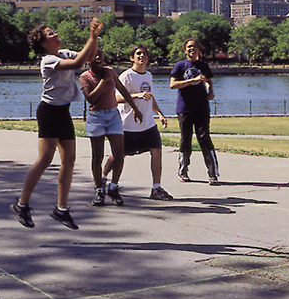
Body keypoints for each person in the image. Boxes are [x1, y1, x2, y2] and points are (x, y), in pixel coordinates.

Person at [11, 19, 104, 230]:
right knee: (45, 158)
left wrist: (95, 37)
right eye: (51, 33)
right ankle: (22, 205)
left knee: (69, 160)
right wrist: (91, 37)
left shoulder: (64, 53)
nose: (56, 34)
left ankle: (61, 209)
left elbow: (88, 57)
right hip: (49, 112)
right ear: (44, 43)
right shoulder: (47, 60)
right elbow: (77, 65)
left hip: (63, 112)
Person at [103, 44, 173, 200]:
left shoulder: (148, 75)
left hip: (148, 124)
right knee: (118, 156)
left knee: (156, 151)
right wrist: (135, 95)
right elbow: (115, 98)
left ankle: (156, 188)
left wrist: (160, 114)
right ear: (132, 58)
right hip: (128, 125)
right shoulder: (126, 76)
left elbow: (151, 97)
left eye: (144, 54)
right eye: (138, 54)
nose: (142, 56)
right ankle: (103, 178)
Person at [79, 45, 142, 206]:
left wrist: (135, 108)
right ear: (88, 60)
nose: (98, 58)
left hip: (113, 115)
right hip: (96, 117)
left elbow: (122, 90)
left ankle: (113, 187)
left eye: (100, 55)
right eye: (94, 56)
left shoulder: (111, 71)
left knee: (119, 154)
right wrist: (104, 81)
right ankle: (99, 190)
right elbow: (91, 99)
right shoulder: (85, 77)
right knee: (97, 157)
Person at [169, 37, 220, 184]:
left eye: (195, 47)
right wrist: (191, 81)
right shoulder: (180, 66)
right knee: (186, 139)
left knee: (204, 138)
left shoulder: (203, 66)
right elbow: (173, 85)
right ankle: (183, 171)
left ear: (198, 49)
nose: (192, 49)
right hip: (184, 108)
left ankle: (212, 173)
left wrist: (210, 91)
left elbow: (208, 81)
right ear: (185, 50)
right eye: (189, 47)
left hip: (201, 107)